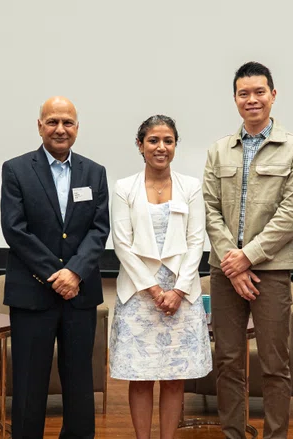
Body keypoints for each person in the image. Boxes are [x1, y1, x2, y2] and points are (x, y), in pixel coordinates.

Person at [202, 61, 293, 439]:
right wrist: (232, 263)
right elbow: (210, 210)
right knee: (228, 360)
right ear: (235, 99)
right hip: (224, 272)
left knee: (274, 363)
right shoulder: (218, 151)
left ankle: (275, 435)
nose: (252, 100)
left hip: (271, 270)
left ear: (273, 95)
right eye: (244, 93)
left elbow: (292, 213)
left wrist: (247, 257)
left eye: (259, 92)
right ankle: (232, 433)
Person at [0, 96, 109, 439]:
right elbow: (15, 230)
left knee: (79, 381)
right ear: (39, 125)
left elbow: (99, 228)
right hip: (33, 294)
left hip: (80, 294)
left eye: (67, 122)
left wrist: (74, 272)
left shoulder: (95, 172)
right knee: (30, 383)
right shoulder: (16, 169)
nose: (60, 129)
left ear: (77, 127)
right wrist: (56, 274)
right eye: (52, 122)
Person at [110, 115, 212, 439]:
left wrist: (178, 291)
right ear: (140, 145)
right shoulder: (123, 187)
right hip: (139, 295)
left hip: (182, 295)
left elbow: (197, 241)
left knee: (174, 377)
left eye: (168, 141)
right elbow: (122, 245)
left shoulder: (191, 187)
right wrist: (155, 291)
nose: (161, 147)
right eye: (153, 140)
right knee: (140, 378)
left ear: (175, 146)